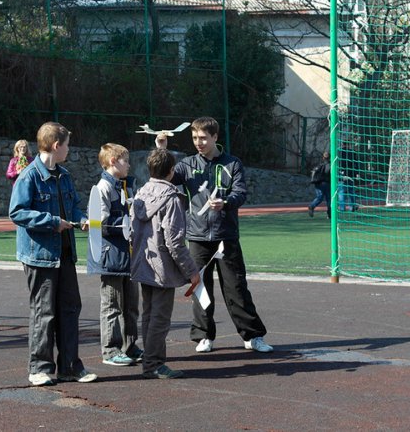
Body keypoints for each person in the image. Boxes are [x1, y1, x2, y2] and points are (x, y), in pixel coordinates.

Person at [156, 116, 273, 354]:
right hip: (197, 237)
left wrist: (226, 202)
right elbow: (163, 177)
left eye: (203, 138)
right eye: (194, 138)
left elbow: (240, 192)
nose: (198, 142)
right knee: (200, 287)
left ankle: (252, 336)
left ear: (215, 137)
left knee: (237, 287)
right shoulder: (186, 165)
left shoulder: (232, 164)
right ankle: (204, 336)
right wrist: (162, 151)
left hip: (226, 235)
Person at [8, 122, 97, 386]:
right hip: (40, 256)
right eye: (67, 144)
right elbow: (17, 212)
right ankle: (39, 368)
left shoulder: (65, 175)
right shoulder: (28, 176)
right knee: (44, 311)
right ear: (56, 146)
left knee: (70, 308)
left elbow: (75, 207)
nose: (69, 149)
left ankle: (70, 366)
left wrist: (81, 219)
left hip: (66, 254)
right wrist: (51, 221)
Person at [130, 148, 200, 379]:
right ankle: (153, 364)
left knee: (149, 315)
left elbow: (131, 231)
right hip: (161, 267)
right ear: (171, 172)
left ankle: (150, 362)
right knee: (159, 318)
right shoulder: (171, 199)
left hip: (143, 262)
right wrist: (192, 271)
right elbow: (175, 241)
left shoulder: (140, 193)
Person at [86, 143, 143, 367]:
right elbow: (100, 223)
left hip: (127, 256)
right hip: (110, 257)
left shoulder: (124, 185)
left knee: (131, 304)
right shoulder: (103, 187)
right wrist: (126, 222)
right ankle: (110, 350)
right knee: (111, 305)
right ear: (113, 161)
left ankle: (130, 346)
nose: (129, 164)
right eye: (125, 160)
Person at [309, 151, 331, 219]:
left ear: (323, 158)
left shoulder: (319, 165)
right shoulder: (330, 165)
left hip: (318, 184)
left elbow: (313, 172)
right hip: (327, 184)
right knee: (329, 199)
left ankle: (312, 206)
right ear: (330, 158)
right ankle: (329, 213)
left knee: (319, 197)